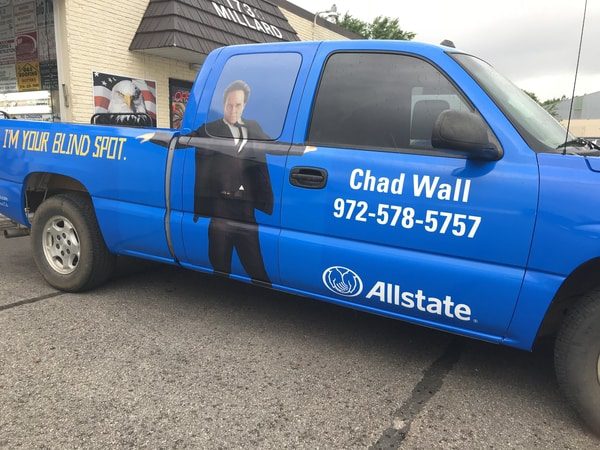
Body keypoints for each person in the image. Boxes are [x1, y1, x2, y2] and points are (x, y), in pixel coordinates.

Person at [138, 80, 275, 285]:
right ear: (223, 104)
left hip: (247, 208)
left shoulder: (254, 127)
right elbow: (185, 140)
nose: (233, 109)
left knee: (255, 263)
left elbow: (275, 145)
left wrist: (306, 149)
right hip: (220, 208)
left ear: (245, 105)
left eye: (238, 105)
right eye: (229, 104)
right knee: (219, 261)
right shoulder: (211, 129)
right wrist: (154, 136)